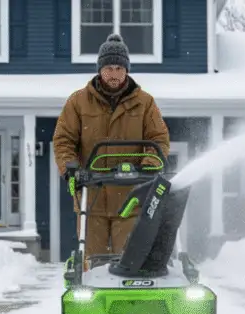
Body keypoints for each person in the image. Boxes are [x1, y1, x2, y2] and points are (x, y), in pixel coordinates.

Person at [52, 32, 170, 259]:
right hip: (92, 196)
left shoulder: (145, 103)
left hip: (131, 198)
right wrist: (71, 168)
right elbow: (64, 139)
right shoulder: (78, 101)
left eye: (119, 68)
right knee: (92, 259)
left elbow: (158, 139)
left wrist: (148, 166)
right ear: (100, 69)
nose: (114, 74)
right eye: (109, 68)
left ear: (126, 70)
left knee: (128, 259)